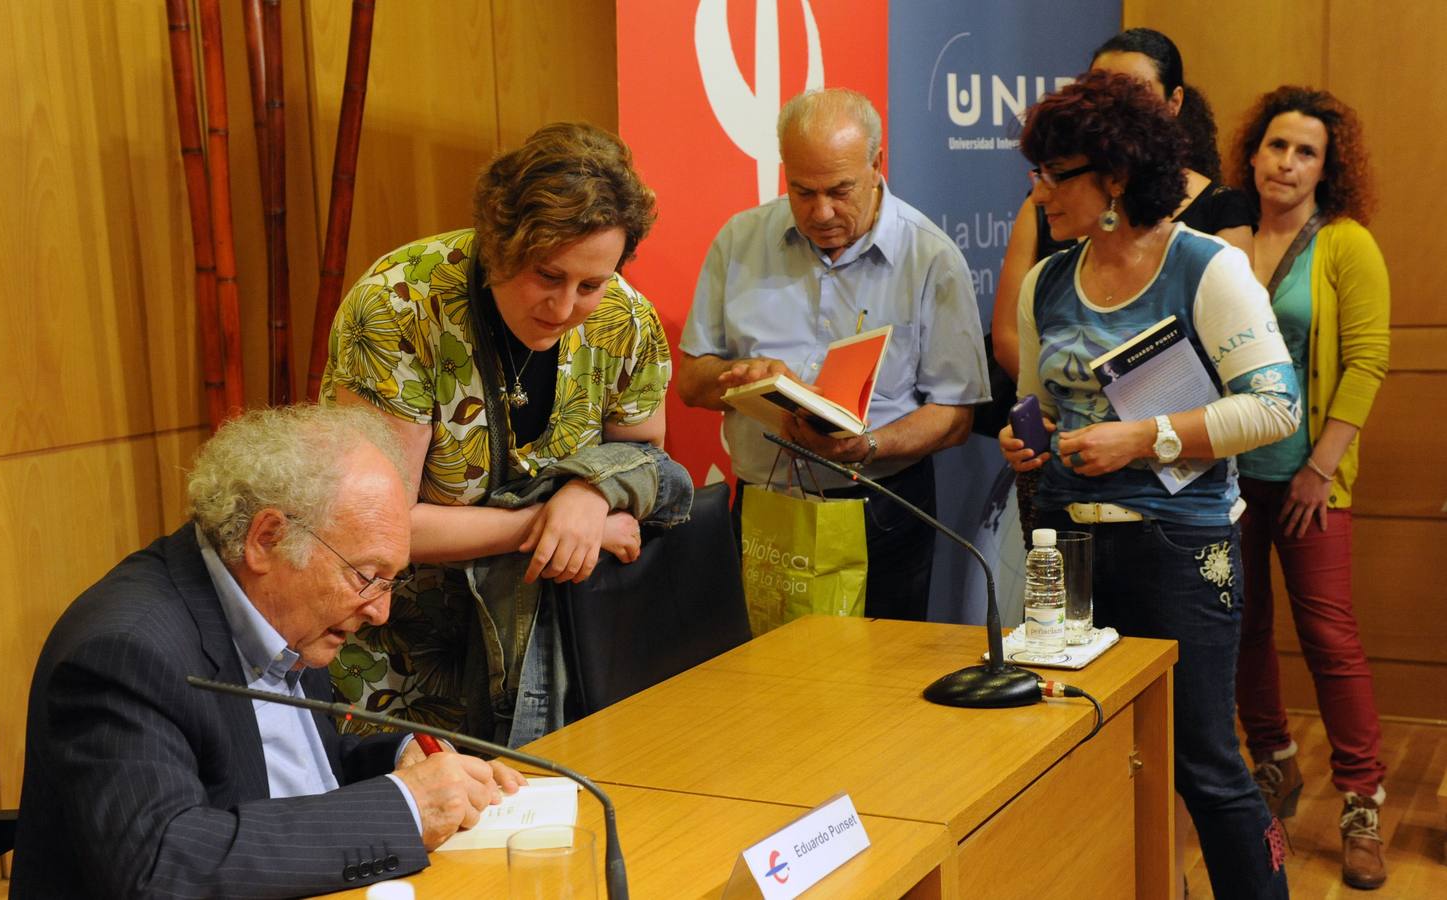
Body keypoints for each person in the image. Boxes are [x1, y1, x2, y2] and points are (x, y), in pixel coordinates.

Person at [10, 405, 526, 899]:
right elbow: (161, 865)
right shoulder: (124, 653)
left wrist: (399, 760)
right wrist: (405, 809)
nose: (380, 612)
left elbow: (277, 772)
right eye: (368, 578)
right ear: (268, 538)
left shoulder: (286, 610)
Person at [999, 71, 1299, 899]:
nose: (1037, 192)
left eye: (1053, 175)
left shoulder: (1206, 269)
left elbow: (1276, 407)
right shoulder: (1046, 280)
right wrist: (1022, 441)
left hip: (1179, 547)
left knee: (1204, 767)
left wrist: (1145, 436)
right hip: (1063, 547)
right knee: (1084, 753)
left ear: (1115, 178)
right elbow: (1034, 400)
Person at [321, 122, 689, 747]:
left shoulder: (625, 318)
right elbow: (378, 523)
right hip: (406, 651)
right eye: (547, 275)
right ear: (497, 242)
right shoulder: (400, 307)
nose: (565, 305)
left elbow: (645, 458)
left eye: (590, 284)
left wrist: (591, 495)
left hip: (566, 650)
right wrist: (555, 525)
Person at [677, 87, 989, 621]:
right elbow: (690, 382)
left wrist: (869, 444)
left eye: (840, 190)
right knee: (762, 679)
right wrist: (739, 376)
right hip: (765, 506)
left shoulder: (929, 257)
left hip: (880, 504)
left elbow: (955, 415)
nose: (821, 212)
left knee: (880, 686)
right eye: (802, 192)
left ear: (876, 165)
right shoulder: (740, 241)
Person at [1230, 86, 1391, 890]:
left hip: (1309, 479)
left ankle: (1361, 798)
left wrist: (1318, 467)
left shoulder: (1345, 243)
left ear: (1327, 169)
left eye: (1305, 152)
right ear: (1251, 154)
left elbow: (1364, 361)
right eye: (1275, 146)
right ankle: (1273, 762)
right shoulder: (1222, 239)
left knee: (1328, 636)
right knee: (1240, 624)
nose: (1286, 164)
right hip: (1226, 474)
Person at [992, 27, 1256, 381]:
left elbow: (1266, 400)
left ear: (1174, 102)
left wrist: (1139, 428)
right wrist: (1065, 403)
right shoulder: (1046, 267)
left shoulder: (1213, 253)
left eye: (1133, 90)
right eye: (1099, 87)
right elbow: (1013, 344)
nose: (1112, 104)